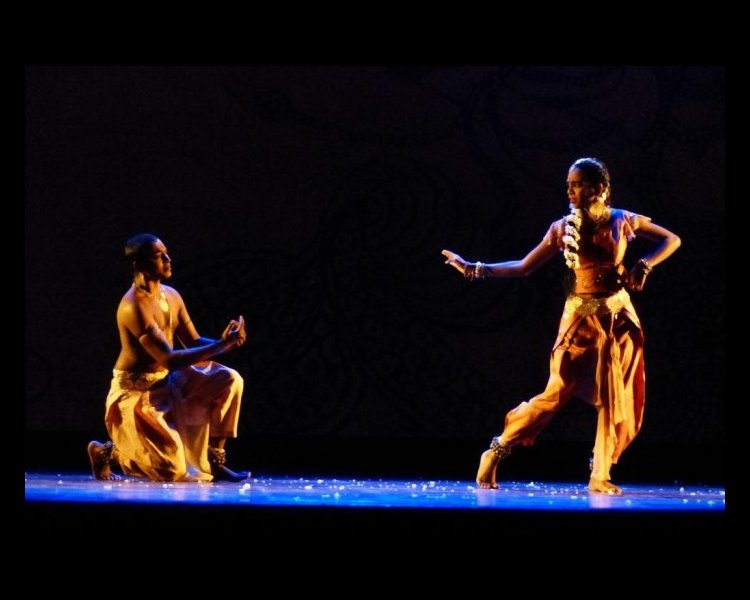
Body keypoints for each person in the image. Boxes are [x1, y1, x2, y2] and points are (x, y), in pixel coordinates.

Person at [442, 157, 681, 494]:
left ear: (599, 189)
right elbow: (524, 266)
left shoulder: (622, 220)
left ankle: (600, 473)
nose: (570, 191)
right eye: (569, 185)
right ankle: (497, 448)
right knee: (556, 393)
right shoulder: (562, 228)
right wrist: (473, 268)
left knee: (614, 394)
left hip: (618, 320)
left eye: (578, 184)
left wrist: (644, 263)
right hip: (580, 322)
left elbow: (672, 239)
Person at [87, 233, 250, 482]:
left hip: (169, 380)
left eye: (166, 253)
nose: (168, 259)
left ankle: (215, 460)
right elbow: (169, 359)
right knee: (170, 471)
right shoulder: (134, 305)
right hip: (138, 393)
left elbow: (193, 342)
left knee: (229, 379)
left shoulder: (171, 295)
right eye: (158, 256)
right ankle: (107, 451)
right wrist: (221, 346)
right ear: (139, 264)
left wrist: (227, 343)